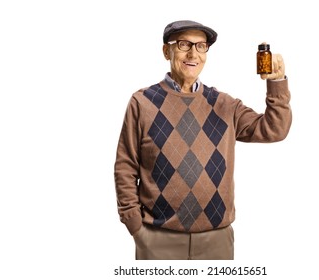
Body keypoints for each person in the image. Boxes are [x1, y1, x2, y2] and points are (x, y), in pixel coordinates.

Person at [114, 20, 292, 260]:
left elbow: (274, 129)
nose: (193, 53)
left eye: (201, 46)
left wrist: (276, 84)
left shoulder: (224, 104)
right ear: (166, 50)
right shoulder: (142, 102)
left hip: (216, 241)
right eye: (183, 44)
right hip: (157, 239)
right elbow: (125, 166)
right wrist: (135, 225)